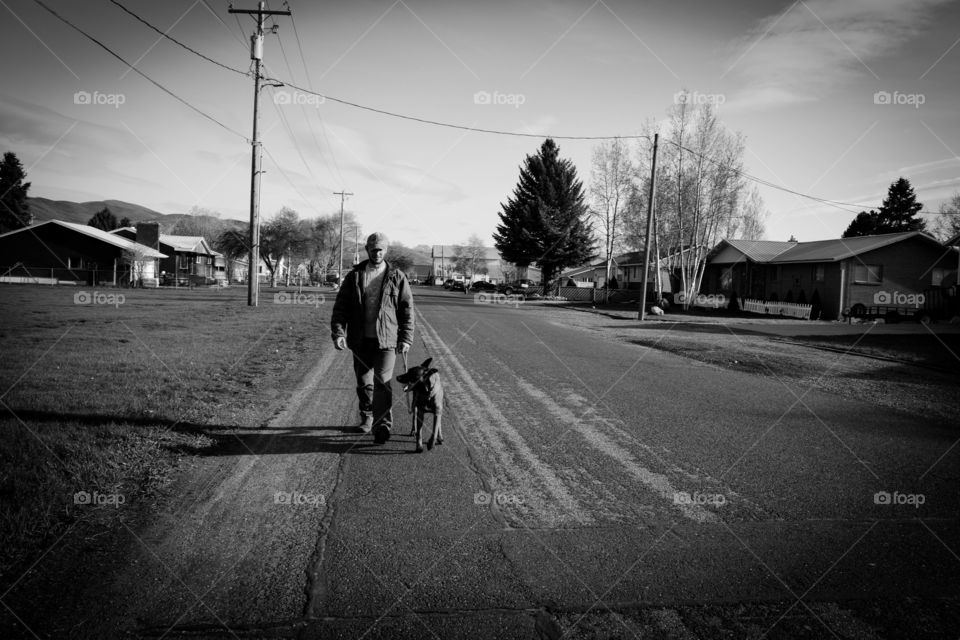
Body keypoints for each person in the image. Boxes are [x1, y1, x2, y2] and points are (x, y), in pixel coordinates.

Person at [331, 232, 413, 443]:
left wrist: (406, 337)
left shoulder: (397, 276)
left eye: (381, 249)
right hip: (360, 340)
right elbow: (341, 307)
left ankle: (382, 425)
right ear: (367, 250)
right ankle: (367, 416)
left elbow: (406, 309)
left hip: (387, 340)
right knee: (364, 382)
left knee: (382, 382)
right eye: (373, 249)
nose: (377, 253)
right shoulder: (355, 276)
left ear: (386, 251)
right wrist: (339, 332)